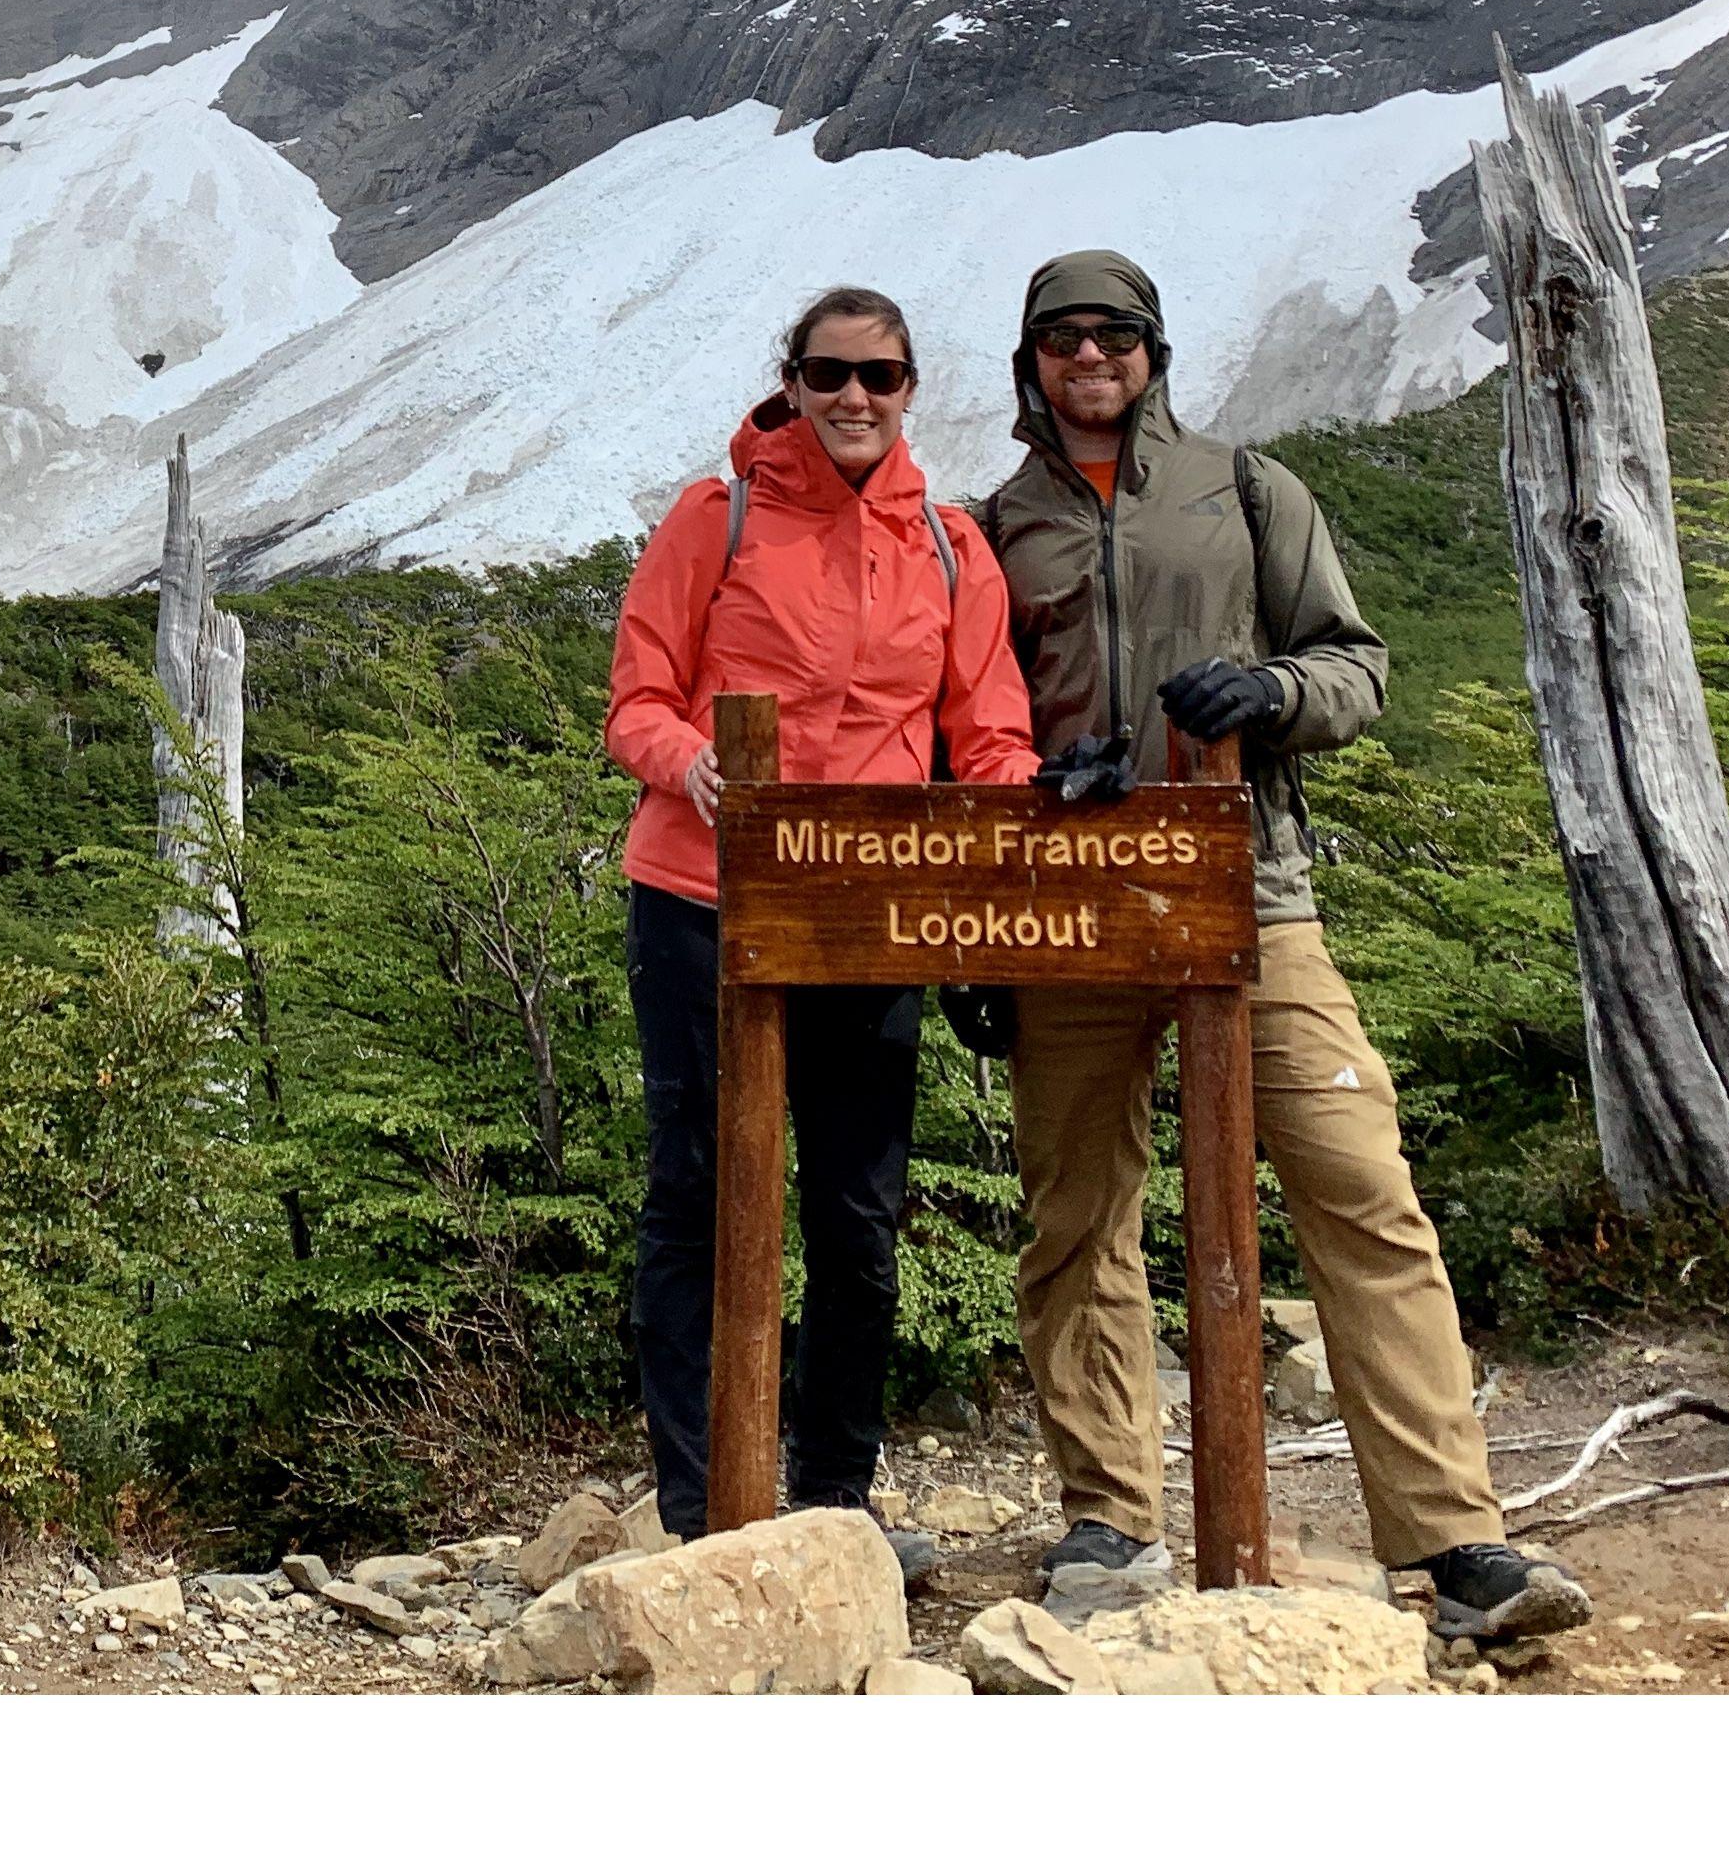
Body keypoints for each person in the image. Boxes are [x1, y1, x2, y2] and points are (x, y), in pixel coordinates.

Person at [979, 249, 1591, 1647]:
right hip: (1074, 912)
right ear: (1031, 361)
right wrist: (1007, 855)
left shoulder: (1250, 489)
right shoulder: (992, 526)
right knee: (1078, 1218)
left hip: (1257, 895)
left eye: (1118, 333)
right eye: (1065, 336)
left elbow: (1357, 665)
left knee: (1360, 1187)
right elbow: (972, 722)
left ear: (1155, 351)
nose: (1093, 356)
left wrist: (1268, 690)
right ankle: (1107, 1519)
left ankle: (1453, 1543)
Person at [606, 285, 1038, 1547]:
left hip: (868, 915)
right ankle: (702, 1508)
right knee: (699, 1189)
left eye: (881, 375)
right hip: (704, 900)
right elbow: (635, 700)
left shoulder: (950, 546)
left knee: (855, 1210)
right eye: (830, 372)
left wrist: (1033, 831)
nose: (856, 396)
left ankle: (835, 1501)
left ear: (912, 389)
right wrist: (691, 763)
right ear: (789, 380)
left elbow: (989, 734)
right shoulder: (716, 516)